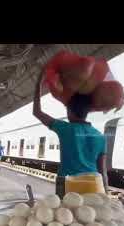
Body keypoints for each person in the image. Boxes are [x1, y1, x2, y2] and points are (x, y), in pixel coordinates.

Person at [33, 69, 108, 197]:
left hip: (68, 182)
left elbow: (37, 112)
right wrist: (106, 194)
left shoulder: (65, 129)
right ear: (86, 112)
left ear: (69, 112)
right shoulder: (100, 136)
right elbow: (103, 171)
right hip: (93, 183)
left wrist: (38, 84)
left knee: (65, 215)